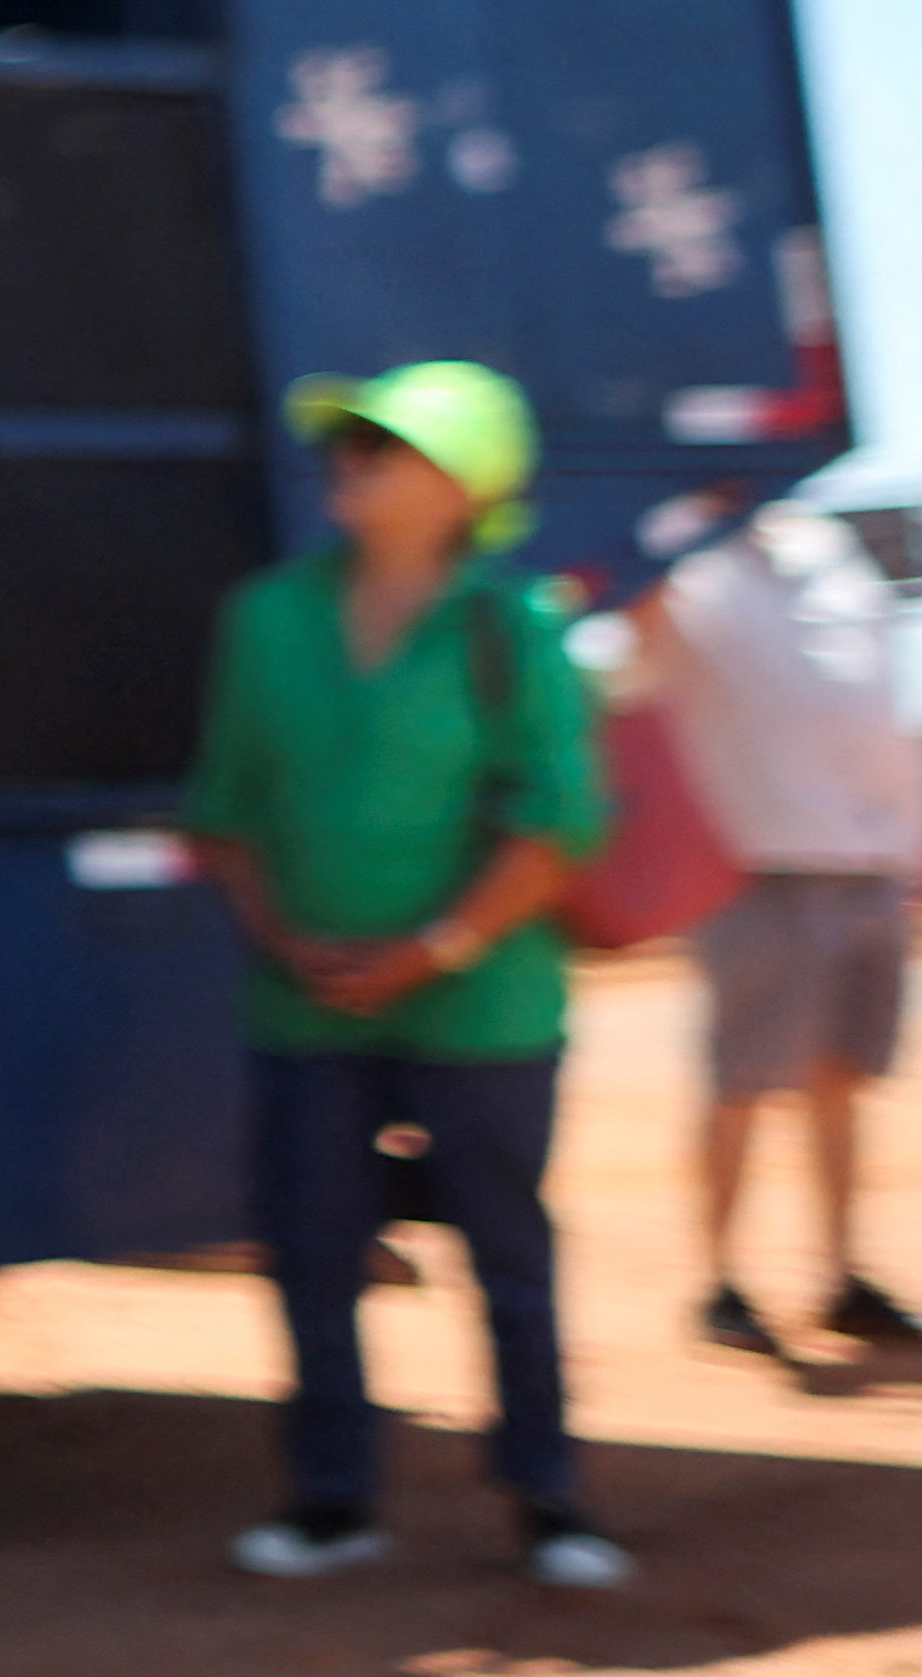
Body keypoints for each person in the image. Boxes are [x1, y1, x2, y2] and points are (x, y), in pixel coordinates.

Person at [179, 361, 628, 1590]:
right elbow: (225, 809)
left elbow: (559, 824)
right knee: (314, 1252)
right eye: (346, 445)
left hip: (483, 1006)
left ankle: (549, 1501)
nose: (347, 465)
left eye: (378, 447)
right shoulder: (264, 618)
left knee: (507, 1253)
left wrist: (431, 951)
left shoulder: (514, 625)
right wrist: (286, 941)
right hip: (305, 1001)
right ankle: (331, 1500)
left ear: (461, 486)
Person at [641, 496, 922, 1357]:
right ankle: (721, 1279)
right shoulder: (673, 553)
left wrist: (917, 835)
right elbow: (625, 664)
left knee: (840, 1076)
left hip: (869, 857)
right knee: (740, 1077)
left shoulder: (826, 544)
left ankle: (842, 1274)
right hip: (755, 863)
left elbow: (878, 701)